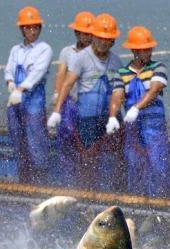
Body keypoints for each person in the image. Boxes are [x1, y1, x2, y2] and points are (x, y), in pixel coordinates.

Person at [49, 13, 121, 191]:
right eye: (100, 38)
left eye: (108, 39)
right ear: (94, 37)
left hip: (107, 117)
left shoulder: (116, 62)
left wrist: (114, 117)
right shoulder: (81, 58)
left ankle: (108, 192)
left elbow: (118, 91)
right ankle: (84, 193)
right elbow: (67, 84)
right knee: (86, 156)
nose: (104, 42)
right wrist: (57, 111)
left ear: (113, 41)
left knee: (110, 157)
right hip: (86, 118)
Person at [108, 26, 170, 197]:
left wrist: (136, 107)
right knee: (135, 168)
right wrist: (112, 117)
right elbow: (117, 95)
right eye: (144, 50)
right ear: (134, 51)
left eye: (150, 49)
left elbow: (154, 90)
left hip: (154, 130)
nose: (148, 53)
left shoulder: (158, 67)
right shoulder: (121, 73)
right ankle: (137, 205)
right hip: (133, 130)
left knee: (158, 167)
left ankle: (160, 204)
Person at [4, 6, 51, 184]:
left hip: (34, 105)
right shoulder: (15, 50)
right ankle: (24, 180)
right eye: (28, 27)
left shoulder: (44, 49)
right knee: (18, 143)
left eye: (36, 27)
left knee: (36, 143)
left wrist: (20, 89)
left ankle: (40, 182)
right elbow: (9, 69)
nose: (32, 30)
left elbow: (37, 73)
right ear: (22, 29)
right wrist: (10, 83)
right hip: (15, 103)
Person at [50, 11, 94, 182]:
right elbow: (61, 73)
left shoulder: (96, 54)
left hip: (89, 106)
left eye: (90, 33)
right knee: (66, 139)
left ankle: (86, 182)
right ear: (76, 33)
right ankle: (66, 181)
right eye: (84, 33)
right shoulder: (67, 52)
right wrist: (56, 94)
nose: (87, 37)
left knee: (87, 146)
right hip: (70, 103)